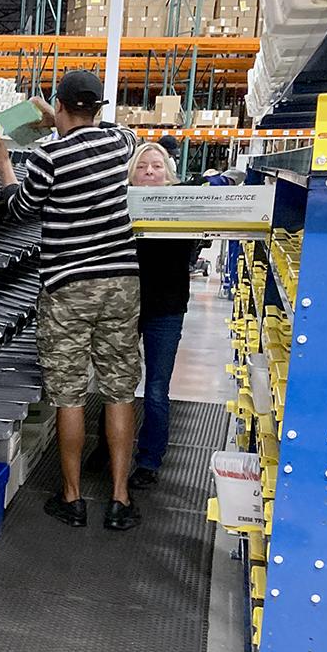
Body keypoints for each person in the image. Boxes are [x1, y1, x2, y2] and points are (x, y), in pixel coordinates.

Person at [0, 70, 142, 531]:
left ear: (60, 107)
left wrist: (6, 164)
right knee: (120, 390)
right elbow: (113, 131)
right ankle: (120, 500)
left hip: (68, 285)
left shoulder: (47, 155)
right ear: (99, 109)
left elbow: (21, 209)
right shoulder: (121, 143)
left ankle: (72, 498)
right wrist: (61, 118)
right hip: (121, 281)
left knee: (68, 394)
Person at [126, 143, 196, 490]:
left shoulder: (184, 207)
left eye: (156, 166)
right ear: (132, 175)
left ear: (169, 174)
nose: (150, 172)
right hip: (124, 306)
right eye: (142, 167)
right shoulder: (122, 208)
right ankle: (109, 449)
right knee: (118, 385)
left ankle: (149, 459)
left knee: (155, 388)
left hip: (166, 309)